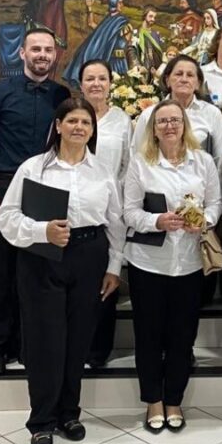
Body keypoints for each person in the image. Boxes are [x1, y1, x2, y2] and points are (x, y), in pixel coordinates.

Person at [0, 98, 124, 444]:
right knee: (44, 341)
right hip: (43, 257)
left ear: (92, 130)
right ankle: (41, 421)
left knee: (77, 340)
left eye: (86, 122)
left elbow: (115, 221)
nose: (79, 127)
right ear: (58, 126)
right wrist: (41, 231)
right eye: (72, 121)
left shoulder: (102, 171)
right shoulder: (34, 168)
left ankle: (69, 413)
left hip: (88, 256)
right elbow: (7, 217)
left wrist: (114, 266)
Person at [0, 28, 71, 375]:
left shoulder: (62, 95)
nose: (42, 54)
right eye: (36, 49)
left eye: (48, 49)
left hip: (45, 190)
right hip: (3, 186)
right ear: (22, 54)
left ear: (55, 56)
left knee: (37, 272)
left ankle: (30, 343)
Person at [123, 98, 222, 434]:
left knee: (182, 337)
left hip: (190, 264)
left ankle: (174, 399)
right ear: (153, 128)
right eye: (162, 121)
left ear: (184, 125)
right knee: (149, 335)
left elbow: (215, 203)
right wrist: (157, 221)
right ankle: (153, 399)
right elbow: (130, 213)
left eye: (175, 120)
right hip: (149, 264)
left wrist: (204, 221)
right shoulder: (141, 164)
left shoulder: (203, 161)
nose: (169, 126)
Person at [78, 60, 132, 369]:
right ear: (81, 83)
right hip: (76, 210)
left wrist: (118, 199)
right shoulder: (72, 115)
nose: (96, 83)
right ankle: (76, 344)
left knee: (105, 278)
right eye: (90, 78)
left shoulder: (122, 120)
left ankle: (98, 350)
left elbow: (128, 164)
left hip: (111, 208)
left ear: (110, 83)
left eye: (102, 78)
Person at [132, 54, 222, 166]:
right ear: (167, 81)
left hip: (198, 179)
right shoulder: (149, 114)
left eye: (190, 75)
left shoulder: (212, 113)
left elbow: (220, 159)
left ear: (198, 83)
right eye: (178, 74)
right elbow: (136, 156)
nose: (184, 79)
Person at [63, 0, 134, 90]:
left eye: (122, 2)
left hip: (117, 61)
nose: (122, 5)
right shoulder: (108, 19)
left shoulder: (122, 21)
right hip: (108, 59)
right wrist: (89, 8)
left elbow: (128, 42)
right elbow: (92, 24)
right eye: (119, 2)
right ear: (113, 3)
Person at [136, 6, 164, 78]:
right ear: (145, 16)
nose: (153, 19)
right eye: (150, 16)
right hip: (141, 67)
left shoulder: (155, 34)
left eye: (154, 17)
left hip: (154, 68)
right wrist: (138, 65)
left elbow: (159, 52)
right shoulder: (137, 32)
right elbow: (133, 51)